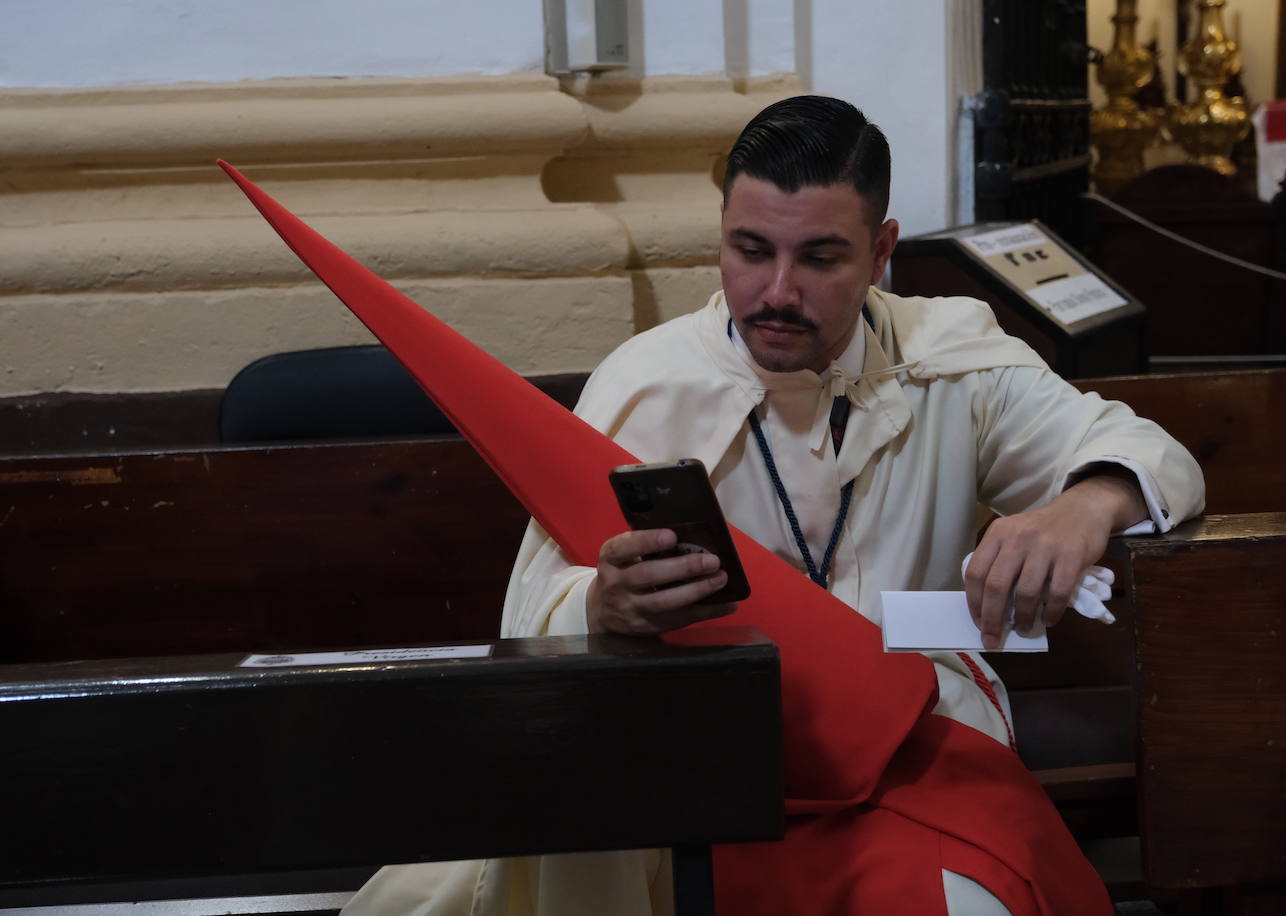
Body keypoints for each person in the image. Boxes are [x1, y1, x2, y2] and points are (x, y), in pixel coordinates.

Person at [345, 95, 1204, 916]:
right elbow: (535, 610)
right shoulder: (647, 383)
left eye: (820, 258)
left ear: (881, 251)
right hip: (696, 743)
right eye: (750, 249)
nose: (777, 291)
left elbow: (1152, 454)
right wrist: (606, 605)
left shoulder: (951, 359)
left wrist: (1085, 505)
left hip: (916, 732)